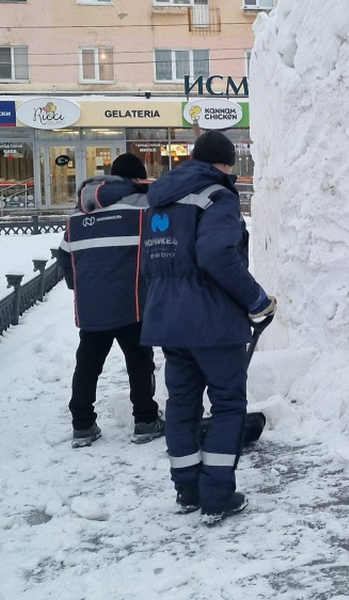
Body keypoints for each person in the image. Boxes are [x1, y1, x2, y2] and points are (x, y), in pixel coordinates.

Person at [140, 130, 275, 525]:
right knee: (228, 404)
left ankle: (187, 489)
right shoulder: (218, 195)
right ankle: (218, 494)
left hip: (169, 320)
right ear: (225, 164)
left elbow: (153, 263)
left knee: (181, 404)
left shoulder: (161, 199)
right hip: (213, 322)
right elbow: (217, 254)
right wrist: (257, 300)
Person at [52, 153, 164, 449]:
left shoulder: (80, 211)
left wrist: (80, 287)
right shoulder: (142, 206)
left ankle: (83, 425)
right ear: (137, 179)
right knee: (140, 362)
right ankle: (145, 420)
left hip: (92, 305)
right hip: (132, 302)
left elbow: (64, 255)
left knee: (87, 364)